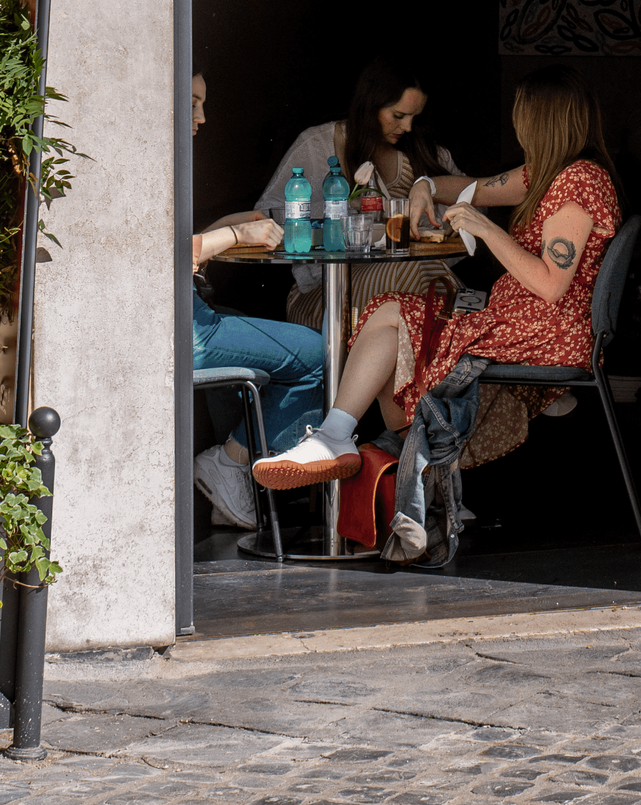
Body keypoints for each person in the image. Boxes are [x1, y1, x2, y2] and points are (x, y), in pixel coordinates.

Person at [253, 64, 620, 490]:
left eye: (522, 117)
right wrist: (423, 186)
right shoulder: (548, 173)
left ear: (541, 122)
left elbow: (551, 284)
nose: (517, 128)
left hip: (544, 330)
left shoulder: (577, 184)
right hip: (523, 320)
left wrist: (487, 229)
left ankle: (364, 445)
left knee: (395, 316)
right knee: (391, 317)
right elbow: (473, 186)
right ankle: (358, 445)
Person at [187, 73, 327, 530]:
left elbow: (175, 246)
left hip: (189, 320)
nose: (202, 117)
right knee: (315, 355)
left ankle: (233, 477)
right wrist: (234, 235)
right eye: (191, 104)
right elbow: (155, 257)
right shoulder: (149, 163)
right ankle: (230, 464)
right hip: (186, 332)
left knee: (242, 325)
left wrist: (226, 229)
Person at [257, 58, 465, 327]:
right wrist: (345, 211)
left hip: (410, 280)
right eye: (399, 116)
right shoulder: (319, 144)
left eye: (416, 117)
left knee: (421, 276)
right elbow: (266, 218)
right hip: (326, 295)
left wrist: (448, 223)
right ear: (370, 105)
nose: (408, 128)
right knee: (417, 276)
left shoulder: (427, 153)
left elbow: (471, 203)